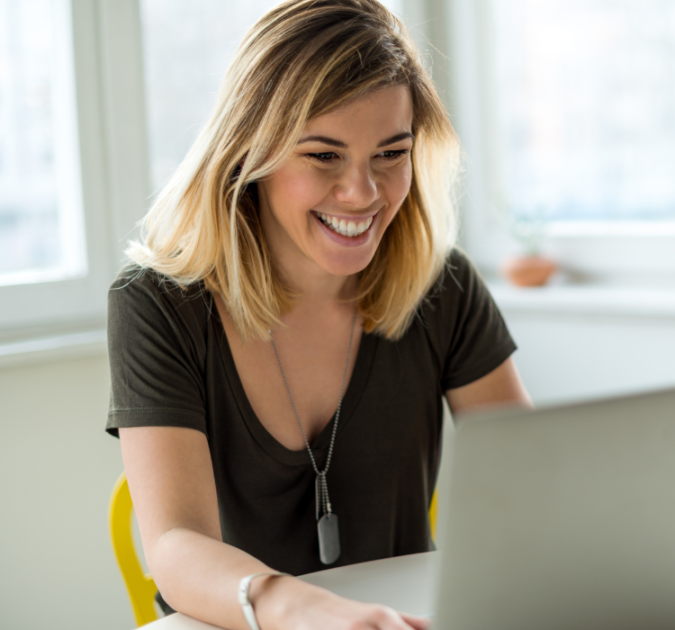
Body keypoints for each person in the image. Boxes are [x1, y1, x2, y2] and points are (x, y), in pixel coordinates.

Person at [105, 1, 531, 629]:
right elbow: (172, 546)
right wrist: (307, 611)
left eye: (391, 153)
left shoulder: (444, 288)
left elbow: (534, 486)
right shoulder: (157, 304)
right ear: (253, 150)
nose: (364, 193)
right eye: (324, 156)